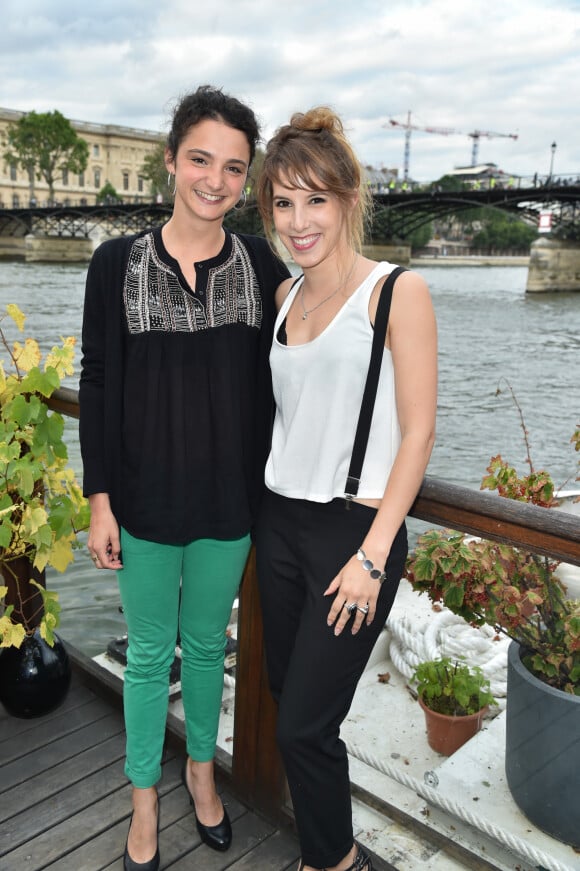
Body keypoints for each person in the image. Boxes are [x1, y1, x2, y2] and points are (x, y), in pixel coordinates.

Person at [79, 85, 290, 871]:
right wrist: (100, 498)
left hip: (230, 504)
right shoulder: (115, 264)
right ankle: (143, 799)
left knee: (206, 650)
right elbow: (96, 381)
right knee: (146, 655)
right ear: (169, 161)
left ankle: (202, 774)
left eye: (234, 167)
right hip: (142, 501)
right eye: (200, 159)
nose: (215, 179)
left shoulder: (264, 265)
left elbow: (304, 352)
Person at [254, 107, 437, 871]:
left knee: (301, 723)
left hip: (350, 537)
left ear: (350, 198)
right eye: (284, 203)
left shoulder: (397, 292)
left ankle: (336, 862)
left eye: (316, 200)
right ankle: (323, 856)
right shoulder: (284, 298)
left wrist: (373, 552)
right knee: (288, 701)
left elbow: (418, 434)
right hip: (279, 524)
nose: (299, 221)